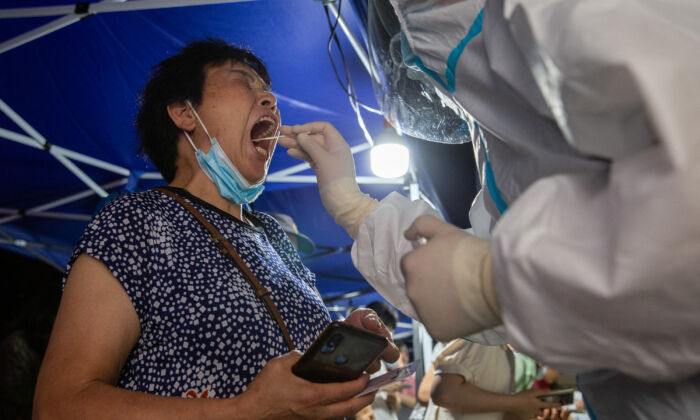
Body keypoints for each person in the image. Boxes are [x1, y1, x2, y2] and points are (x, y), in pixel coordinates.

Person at [278, 0, 700, 417]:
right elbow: (486, 275)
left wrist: (491, 283)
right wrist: (352, 206)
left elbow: (683, 220)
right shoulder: (504, 105)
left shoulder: (566, 19)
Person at [33, 39, 398, 419]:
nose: (270, 99)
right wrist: (245, 410)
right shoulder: (136, 220)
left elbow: (286, 377)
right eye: (244, 81)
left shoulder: (273, 237)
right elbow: (60, 406)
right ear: (184, 112)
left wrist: (334, 345)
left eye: (267, 89)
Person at [424, 339, 558, 420]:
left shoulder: (506, 354)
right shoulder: (477, 338)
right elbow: (444, 393)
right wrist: (517, 402)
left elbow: (497, 412)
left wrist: (523, 412)